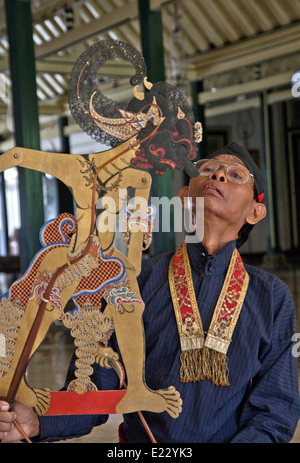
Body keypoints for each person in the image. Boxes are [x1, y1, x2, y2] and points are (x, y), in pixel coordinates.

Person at [0, 142, 299, 443]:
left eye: (235, 176)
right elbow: (94, 389)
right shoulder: (136, 278)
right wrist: (35, 422)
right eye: (207, 169)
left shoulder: (271, 298)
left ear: (255, 212)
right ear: (184, 197)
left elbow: (276, 410)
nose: (218, 176)